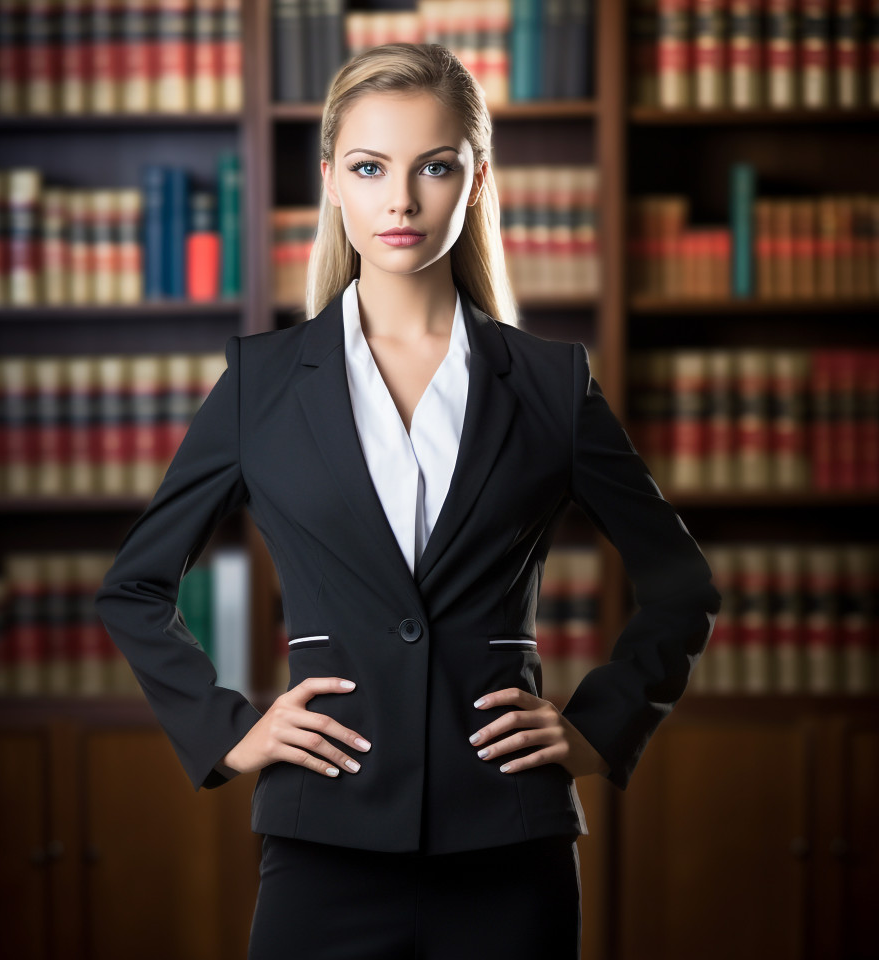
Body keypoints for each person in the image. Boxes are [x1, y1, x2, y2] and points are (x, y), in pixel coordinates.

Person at [94, 42, 721, 960]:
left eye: (435, 166)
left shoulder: (550, 385)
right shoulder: (261, 384)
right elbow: (133, 587)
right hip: (323, 842)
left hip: (510, 845)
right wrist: (231, 734)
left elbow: (682, 586)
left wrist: (598, 729)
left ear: (474, 179)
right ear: (331, 183)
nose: (401, 201)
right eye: (370, 167)